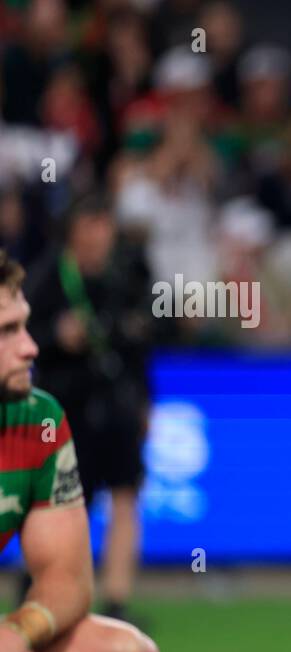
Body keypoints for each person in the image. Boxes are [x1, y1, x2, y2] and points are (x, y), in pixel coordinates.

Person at [0, 251, 161, 652]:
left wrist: (20, 632)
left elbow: (67, 580)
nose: (31, 345)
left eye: (25, 324)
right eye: (8, 331)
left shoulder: (38, 420)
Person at [24, 192, 153, 621]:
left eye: (104, 226)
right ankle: (44, 590)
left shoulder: (126, 276)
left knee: (124, 495)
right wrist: (56, 336)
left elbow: (142, 342)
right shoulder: (45, 279)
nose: (99, 236)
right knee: (60, 505)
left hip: (115, 403)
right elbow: (21, 342)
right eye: (90, 226)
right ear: (74, 232)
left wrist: (145, 402)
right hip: (66, 407)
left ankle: (117, 602)